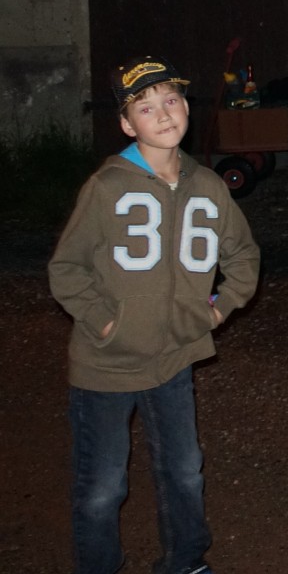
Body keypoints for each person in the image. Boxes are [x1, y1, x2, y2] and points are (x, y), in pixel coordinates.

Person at [49, 56, 261, 574]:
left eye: (171, 100)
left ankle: (184, 562)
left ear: (186, 106)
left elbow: (242, 256)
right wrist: (106, 323)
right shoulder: (107, 187)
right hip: (107, 364)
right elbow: (67, 268)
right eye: (144, 108)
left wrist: (217, 312)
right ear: (127, 125)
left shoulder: (208, 186)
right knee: (103, 485)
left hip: (176, 357)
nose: (163, 114)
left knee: (184, 470)